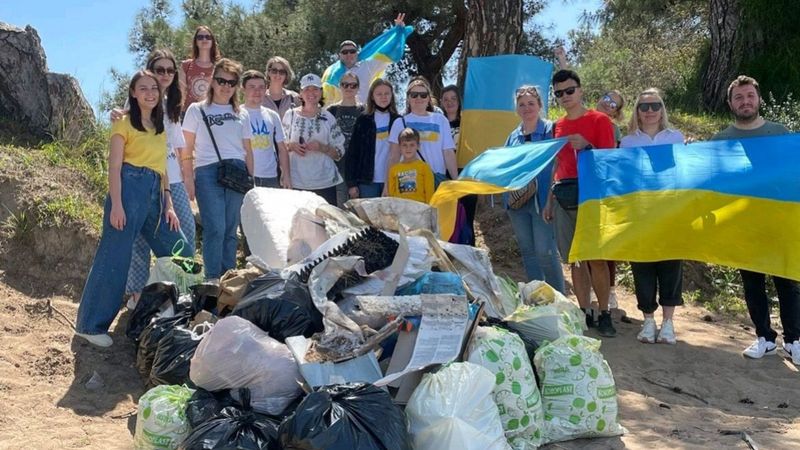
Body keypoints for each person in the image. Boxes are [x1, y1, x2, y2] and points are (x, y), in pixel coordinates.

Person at [75, 70, 192, 347]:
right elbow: (114, 166)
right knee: (114, 255)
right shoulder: (124, 123)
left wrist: (169, 205)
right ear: (134, 93)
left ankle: (162, 306)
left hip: (155, 192)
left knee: (181, 250)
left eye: (154, 88)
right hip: (128, 187)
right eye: (144, 88)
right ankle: (89, 325)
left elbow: (162, 169)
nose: (150, 92)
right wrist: (116, 204)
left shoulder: (160, 125)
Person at [711, 75, 800, 364]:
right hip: (743, 223)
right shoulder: (721, 140)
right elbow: (711, 180)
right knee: (752, 282)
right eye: (739, 97)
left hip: (780, 221)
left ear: (759, 99)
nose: (745, 101)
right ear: (730, 103)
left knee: (787, 282)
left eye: (750, 96)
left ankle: (794, 340)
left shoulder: (780, 133)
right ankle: (764, 338)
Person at [114, 49, 197, 309]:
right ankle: (138, 294)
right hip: (144, 179)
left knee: (186, 233)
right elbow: (125, 127)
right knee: (140, 239)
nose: (164, 75)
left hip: (171, 180)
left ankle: (182, 287)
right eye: (159, 70)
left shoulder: (173, 104)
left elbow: (179, 148)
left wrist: (186, 176)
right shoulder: (141, 100)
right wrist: (115, 114)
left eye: (170, 70)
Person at [543, 69, 617, 337]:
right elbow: (556, 165)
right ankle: (584, 311)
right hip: (564, 196)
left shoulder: (600, 121)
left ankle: (605, 312)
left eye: (569, 91)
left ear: (581, 90)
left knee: (597, 259)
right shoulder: (557, 126)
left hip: (593, 197)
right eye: (559, 93)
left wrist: (587, 147)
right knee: (575, 260)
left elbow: (611, 161)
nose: (565, 97)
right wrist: (549, 201)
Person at [620, 88, 685, 344]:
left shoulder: (676, 138)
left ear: (662, 109)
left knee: (671, 266)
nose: (649, 111)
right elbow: (623, 178)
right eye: (644, 107)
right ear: (637, 110)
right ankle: (648, 321)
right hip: (640, 214)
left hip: (670, 213)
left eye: (655, 106)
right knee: (642, 267)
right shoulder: (627, 143)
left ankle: (668, 323)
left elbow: (685, 173)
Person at [182, 58, 253, 282]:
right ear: (212, 81)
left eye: (231, 82)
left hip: (238, 172)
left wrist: (253, 182)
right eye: (221, 80)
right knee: (215, 228)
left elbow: (248, 150)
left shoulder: (242, 113)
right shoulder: (196, 109)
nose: (226, 86)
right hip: (207, 172)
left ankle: (229, 279)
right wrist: (188, 179)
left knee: (231, 231)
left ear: (236, 86)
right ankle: (212, 279)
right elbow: (186, 148)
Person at [504, 85, 565, 294]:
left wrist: (551, 199)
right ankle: (537, 301)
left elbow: (559, 164)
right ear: (516, 109)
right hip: (518, 202)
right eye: (522, 104)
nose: (526, 108)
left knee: (545, 252)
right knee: (528, 253)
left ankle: (560, 302)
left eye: (531, 103)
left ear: (540, 105)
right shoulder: (513, 137)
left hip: (544, 200)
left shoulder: (551, 130)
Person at [282, 74, 346, 205]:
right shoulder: (290, 115)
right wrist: (292, 146)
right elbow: (280, 146)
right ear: (300, 93)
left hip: (325, 183)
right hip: (296, 182)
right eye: (307, 89)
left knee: (326, 223)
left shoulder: (328, 117)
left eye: (315, 89)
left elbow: (339, 152)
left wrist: (322, 148)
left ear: (321, 92)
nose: (311, 93)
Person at [387, 77, 458, 194]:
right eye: (414, 95)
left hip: (435, 178)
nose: (418, 98)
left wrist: (456, 181)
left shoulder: (441, 120)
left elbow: (448, 152)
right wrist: (387, 186)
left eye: (423, 95)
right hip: (408, 178)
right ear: (408, 98)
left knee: (435, 212)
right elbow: (393, 157)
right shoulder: (399, 122)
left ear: (429, 98)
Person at [325, 13, 407, 104]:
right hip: (341, 114)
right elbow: (324, 96)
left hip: (363, 113)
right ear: (339, 55)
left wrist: (398, 32)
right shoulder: (332, 73)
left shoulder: (367, 66)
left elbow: (388, 52)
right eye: (345, 52)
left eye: (352, 51)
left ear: (357, 53)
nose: (349, 54)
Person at [346, 78, 402, 199]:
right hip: (367, 181)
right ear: (372, 96)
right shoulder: (364, 119)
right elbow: (353, 153)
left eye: (387, 93)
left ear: (392, 95)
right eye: (379, 94)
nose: (383, 97)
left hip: (393, 179)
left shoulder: (399, 120)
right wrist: (351, 184)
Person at [241, 69, 290, 188]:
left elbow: (282, 148)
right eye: (252, 87)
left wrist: (287, 175)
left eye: (261, 87)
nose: (257, 91)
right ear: (243, 89)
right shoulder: (236, 114)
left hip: (270, 176)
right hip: (245, 175)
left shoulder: (272, 115)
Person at [442, 84, 477, 246]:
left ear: (459, 101)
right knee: (447, 219)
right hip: (443, 176)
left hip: (466, 175)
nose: (450, 103)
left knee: (467, 218)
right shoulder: (438, 123)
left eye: (453, 99)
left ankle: (470, 252)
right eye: (446, 99)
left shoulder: (468, 123)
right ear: (441, 102)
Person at [326, 71, 365, 206]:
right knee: (340, 209)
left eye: (353, 85)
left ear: (358, 88)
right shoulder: (331, 111)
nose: (349, 88)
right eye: (345, 84)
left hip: (359, 167)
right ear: (340, 86)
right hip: (337, 167)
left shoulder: (364, 111)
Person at [387, 128, 435, 203]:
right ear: (399, 147)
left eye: (412, 145)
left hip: (420, 211)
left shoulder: (424, 167)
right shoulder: (393, 170)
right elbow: (391, 196)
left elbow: (430, 193)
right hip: (400, 210)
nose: (408, 148)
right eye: (404, 145)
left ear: (418, 146)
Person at [179, 26, 220, 113]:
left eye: (208, 37)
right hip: (188, 114)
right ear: (196, 42)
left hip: (212, 114)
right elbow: (181, 93)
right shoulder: (186, 65)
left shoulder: (219, 67)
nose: (204, 39)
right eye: (200, 37)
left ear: (212, 41)